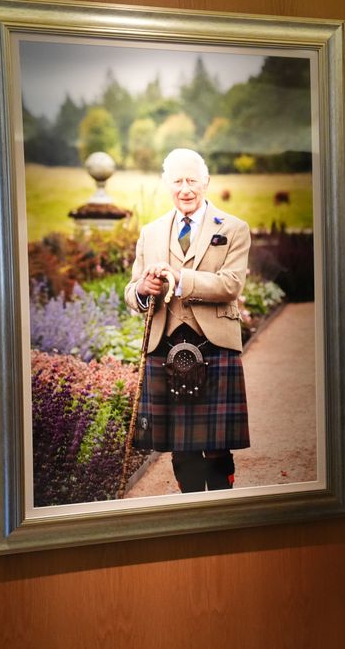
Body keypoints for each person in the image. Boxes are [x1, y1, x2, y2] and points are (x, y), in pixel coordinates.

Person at [124, 148, 251, 492]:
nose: (185, 189)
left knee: (216, 448)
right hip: (165, 347)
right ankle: (192, 507)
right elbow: (132, 290)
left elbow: (231, 284)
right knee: (182, 450)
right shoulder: (150, 232)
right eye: (178, 181)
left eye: (192, 180)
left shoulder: (235, 229)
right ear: (168, 185)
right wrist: (143, 288)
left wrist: (178, 279)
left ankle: (221, 506)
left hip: (214, 345)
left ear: (206, 182)